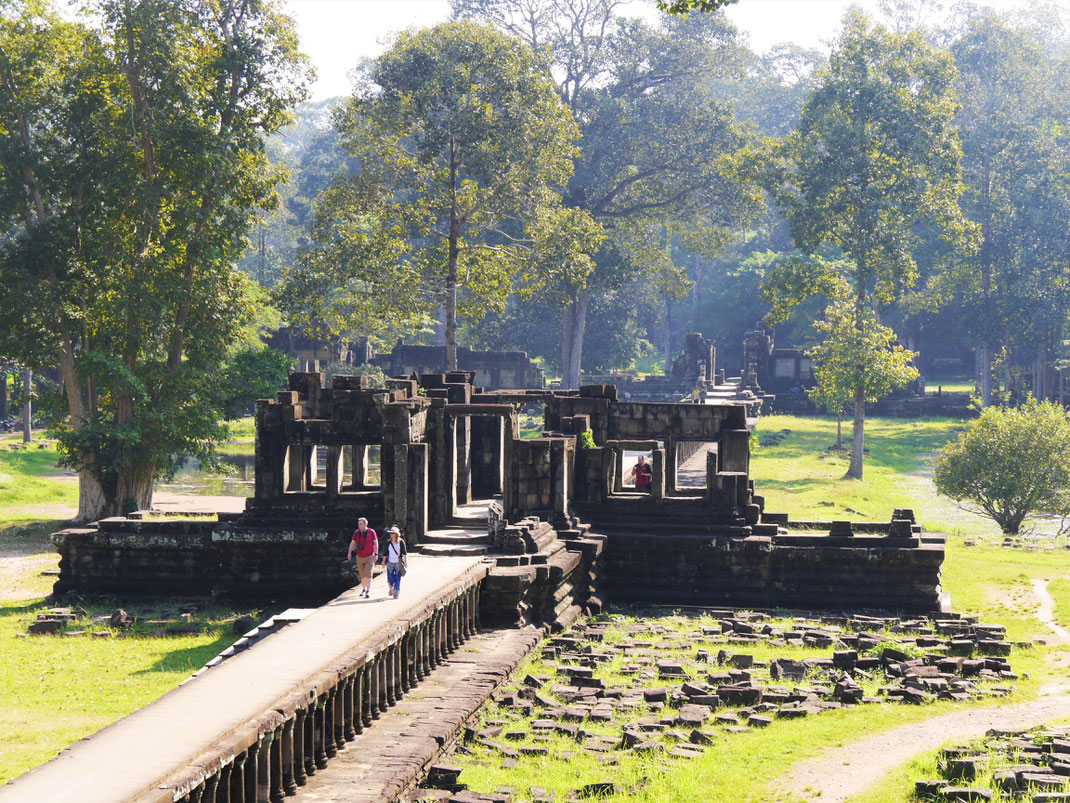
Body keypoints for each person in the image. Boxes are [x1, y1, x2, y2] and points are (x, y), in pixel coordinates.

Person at [347, 517, 378, 598]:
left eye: (360, 524)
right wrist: (349, 552)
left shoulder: (371, 532)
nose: (359, 525)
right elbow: (352, 543)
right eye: (358, 524)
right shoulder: (356, 533)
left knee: (368, 574)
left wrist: (376, 554)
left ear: (365, 524)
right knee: (362, 575)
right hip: (360, 556)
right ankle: (364, 589)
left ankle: (368, 591)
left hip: (369, 556)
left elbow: (375, 543)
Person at [382, 525, 407, 599]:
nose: (391, 534)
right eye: (390, 533)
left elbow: (404, 553)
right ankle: (392, 588)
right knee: (390, 578)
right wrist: (383, 563)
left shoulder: (401, 542)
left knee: (398, 578)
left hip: (398, 562)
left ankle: (396, 594)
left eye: (392, 533)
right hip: (390, 562)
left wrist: (405, 562)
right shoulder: (388, 542)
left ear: (396, 534)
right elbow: (385, 554)